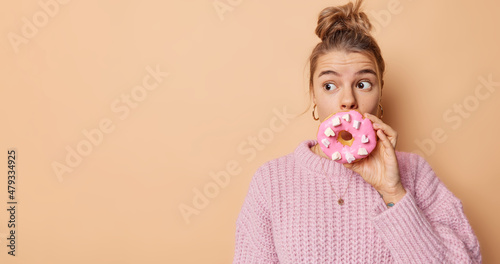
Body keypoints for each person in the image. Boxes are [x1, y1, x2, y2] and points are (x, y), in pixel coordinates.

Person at [232, 0, 482, 263]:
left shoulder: (415, 173)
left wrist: (393, 192)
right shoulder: (271, 182)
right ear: (313, 95)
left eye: (363, 83)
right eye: (330, 85)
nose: (348, 100)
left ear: (380, 93)